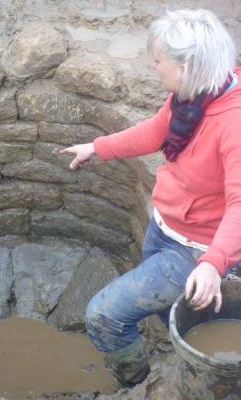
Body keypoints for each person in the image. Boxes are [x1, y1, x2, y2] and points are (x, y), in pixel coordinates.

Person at [61, 9, 241, 387]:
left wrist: (212, 264)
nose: (152, 66)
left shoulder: (233, 125)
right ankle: (182, 348)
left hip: (195, 252)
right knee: (172, 312)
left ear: (187, 65)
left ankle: (138, 380)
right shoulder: (194, 96)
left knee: (103, 316)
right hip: (166, 229)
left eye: (158, 60)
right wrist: (97, 147)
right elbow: (155, 131)